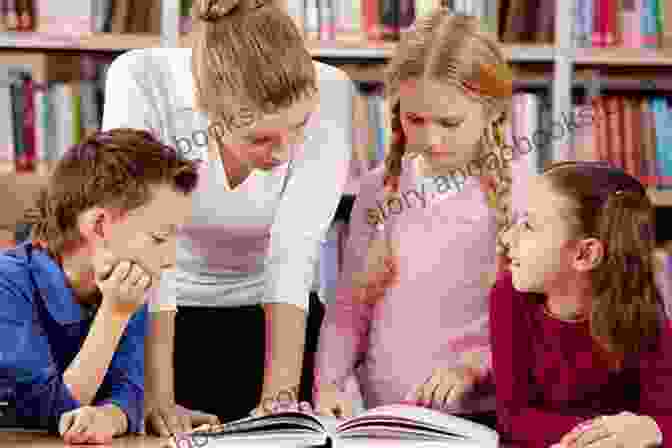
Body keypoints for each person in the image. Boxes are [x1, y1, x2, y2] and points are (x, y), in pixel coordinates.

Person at [101, 0, 352, 433]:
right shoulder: (141, 81)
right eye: (261, 139)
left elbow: (294, 252)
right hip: (160, 317)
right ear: (208, 111)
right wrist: (159, 399)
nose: (285, 151)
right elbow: (146, 241)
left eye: (298, 128)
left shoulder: (331, 91)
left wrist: (279, 405)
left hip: (271, 321)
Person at [313, 10, 515, 428]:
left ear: (493, 111)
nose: (431, 139)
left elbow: (538, 327)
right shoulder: (377, 191)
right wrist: (329, 385)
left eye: (450, 122)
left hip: (480, 421)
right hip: (384, 419)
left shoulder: (523, 198)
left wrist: (474, 367)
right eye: (415, 120)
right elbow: (350, 305)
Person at [0, 129, 198, 444]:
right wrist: (115, 314)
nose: (170, 259)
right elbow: (50, 414)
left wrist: (108, 417)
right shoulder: (8, 283)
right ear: (99, 226)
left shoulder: (125, 283)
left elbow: (130, 393)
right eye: (159, 238)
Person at [491, 160, 672, 447]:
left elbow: (665, 417)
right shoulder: (508, 295)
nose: (505, 238)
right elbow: (513, 416)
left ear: (584, 254)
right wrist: (600, 437)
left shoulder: (642, 307)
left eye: (528, 226)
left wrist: (649, 429)